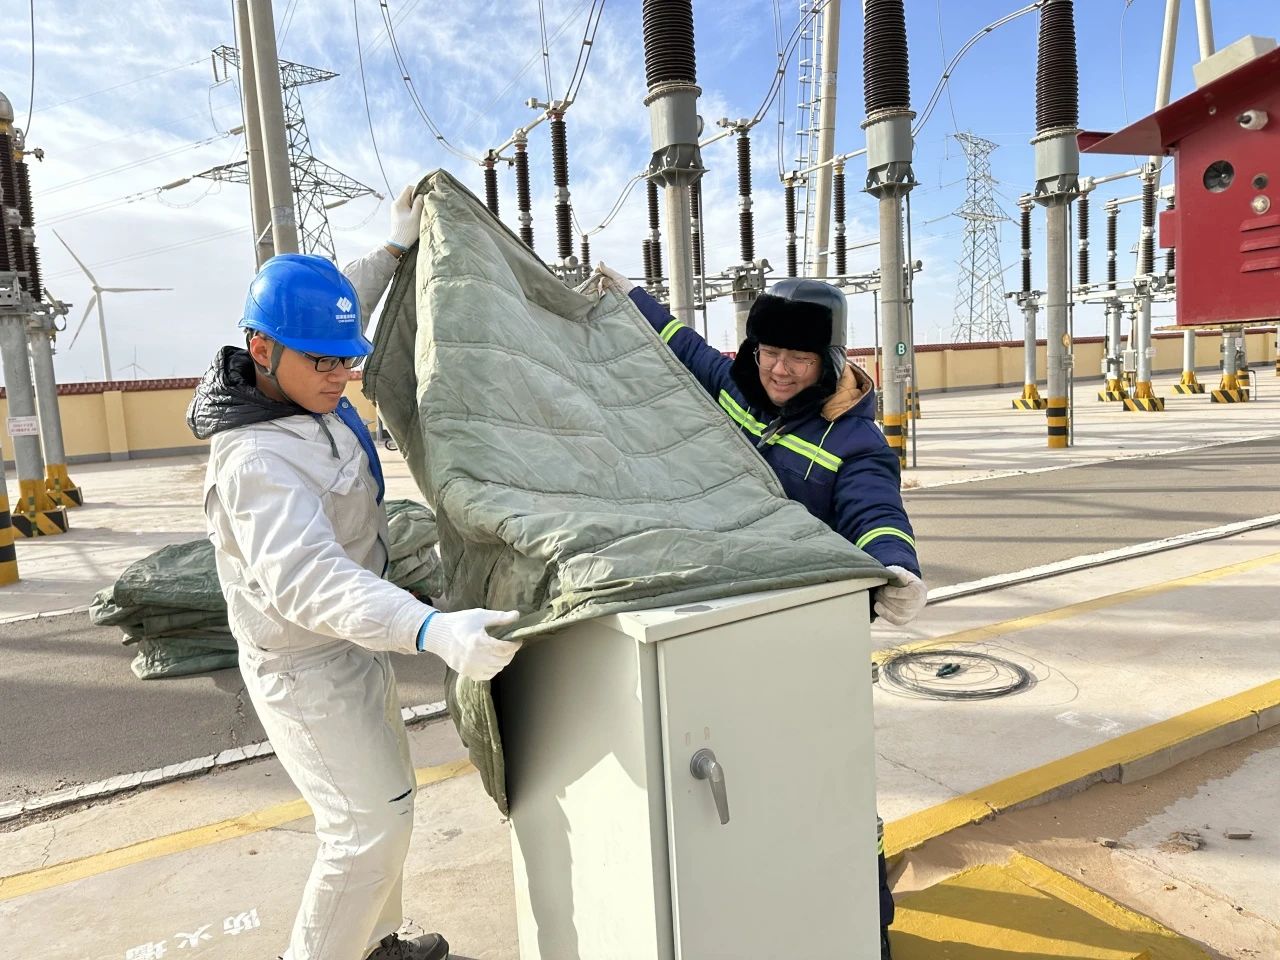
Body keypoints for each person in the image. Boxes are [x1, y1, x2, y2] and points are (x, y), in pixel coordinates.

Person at [188, 186, 521, 960]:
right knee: (363, 830)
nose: (341, 375)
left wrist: (395, 248)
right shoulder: (257, 460)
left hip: (353, 639)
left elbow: (343, 305)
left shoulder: (301, 379)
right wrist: (431, 629)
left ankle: (374, 944)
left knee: (390, 805)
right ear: (261, 349)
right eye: (324, 361)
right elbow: (307, 581)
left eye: (348, 358)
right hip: (305, 661)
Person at [596, 265, 925, 959]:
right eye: (769, 351)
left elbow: (873, 506)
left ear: (828, 358)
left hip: (808, 645)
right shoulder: (736, 386)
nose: (780, 369)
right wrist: (632, 296)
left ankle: (866, 924)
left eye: (798, 357)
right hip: (728, 635)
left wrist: (894, 564)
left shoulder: (851, 438)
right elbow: (684, 346)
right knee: (753, 780)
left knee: (834, 785)